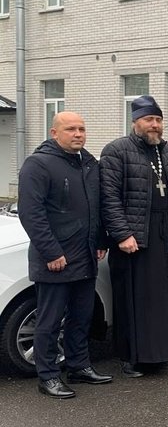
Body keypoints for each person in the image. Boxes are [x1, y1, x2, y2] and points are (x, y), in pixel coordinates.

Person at [18, 112, 112, 398]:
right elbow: (31, 213)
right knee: (49, 320)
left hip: (85, 256)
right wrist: (51, 251)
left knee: (81, 316)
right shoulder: (38, 164)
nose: (78, 134)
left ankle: (79, 366)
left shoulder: (89, 163)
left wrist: (100, 240)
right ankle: (47, 376)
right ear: (54, 133)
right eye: (70, 129)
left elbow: (97, 207)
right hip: (55, 259)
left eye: (82, 128)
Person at [99, 96, 168, 377]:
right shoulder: (117, 150)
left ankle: (161, 353)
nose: (155, 125)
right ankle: (132, 358)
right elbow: (109, 198)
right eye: (149, 120)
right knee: (135, 298)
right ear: (135, 121)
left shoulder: (167, 150)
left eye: (159, 120)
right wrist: (122, 233)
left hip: (164, 232)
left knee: (164, 296)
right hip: (134, 235)